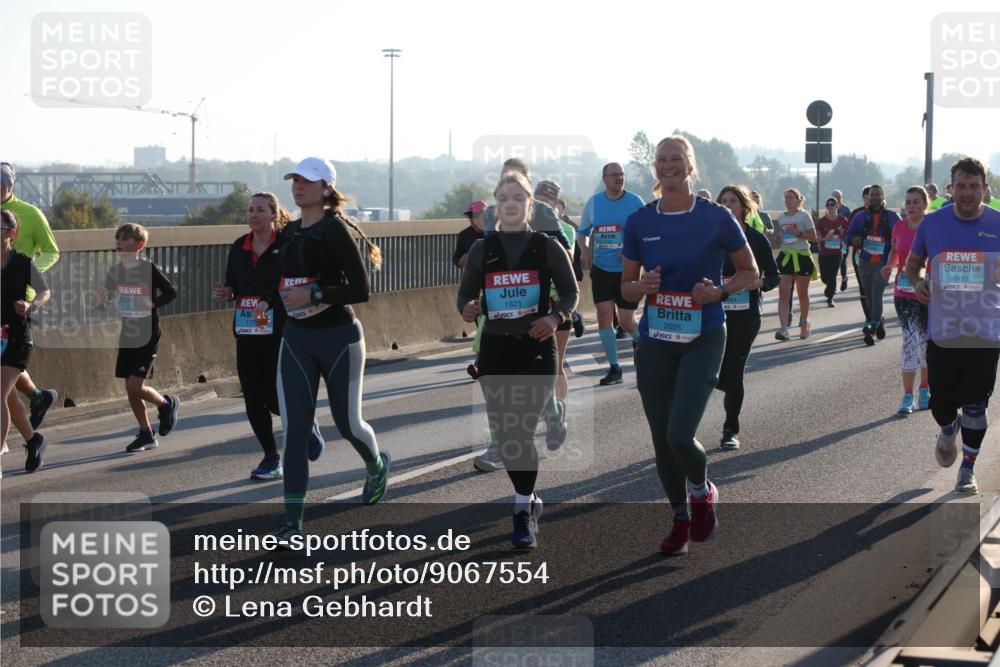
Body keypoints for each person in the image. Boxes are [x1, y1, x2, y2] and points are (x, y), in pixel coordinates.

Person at [621, 135, 757, 556]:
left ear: (689, 165)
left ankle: (701, 490)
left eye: (676, 159)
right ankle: (680, 519)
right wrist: (639, 286)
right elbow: (625, 289)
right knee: (661, 439)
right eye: (661, 160)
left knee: (681, 434)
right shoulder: (640, 221)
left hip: (704, 335)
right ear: (655, 168)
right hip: (656, 339)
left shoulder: (716, 217)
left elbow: (749, 273)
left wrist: (718, 290)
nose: (668, 166)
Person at [253, 157, 388, 544]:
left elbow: (359, 290)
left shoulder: (336, 229)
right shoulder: (290, 230)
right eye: (294, 179)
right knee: (294, 432)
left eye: (307, 181)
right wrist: (268, 299)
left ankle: (376, 465)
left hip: (339, 339)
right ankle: (292, 522)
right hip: (296, 340)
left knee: (348, 424)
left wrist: (314, 293)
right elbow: (284, 279)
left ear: (326, 188)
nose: (298, 186)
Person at [457, 171, 578, 548]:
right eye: (503, 198)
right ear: (496, 205)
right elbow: (464, 296)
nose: (510, 204)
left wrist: (554, 317)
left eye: (518, 198)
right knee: (510, 438)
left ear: (529, 205)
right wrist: (468, 307)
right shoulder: (482, 249)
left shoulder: (547, 246)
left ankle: (522, 507)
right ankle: (530, 498)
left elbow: (571, 294)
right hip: (495, 348)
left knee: (521, 431)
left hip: (537, 347)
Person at [905, 156, 1000, 493]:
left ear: (985, 190)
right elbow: (913, 264)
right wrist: (918, 283)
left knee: (976, 403)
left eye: (974, 186)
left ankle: (968, 470)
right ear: (951, 188)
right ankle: (948, 429)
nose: (967, 192)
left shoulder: (998, 223)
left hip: (985, 332)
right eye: (961, 186)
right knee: (941, 403)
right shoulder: (932, 224)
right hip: (943, 331)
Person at [213, 192, 324, 481]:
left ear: (274, 215)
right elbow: (234, 284)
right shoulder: (239, 247)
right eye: (250, 210)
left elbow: (296, 280)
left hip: (282, 328)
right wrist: (228, 293)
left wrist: (270, 300)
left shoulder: (286, 245)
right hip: (248, 329)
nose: (253, 215)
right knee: (252, 397)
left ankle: (306, 421)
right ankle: (271, 456)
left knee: (274, 394)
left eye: (260, 210)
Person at [91, 224, 180, 452]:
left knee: (135, 385)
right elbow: (105, 303)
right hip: (128, 332)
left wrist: (152, 303)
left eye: (125, 239)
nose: (119, 243)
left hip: (148, 332)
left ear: (139, 245)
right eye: (118, 239)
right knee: (130, 389)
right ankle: (146, 433)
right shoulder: (116, 272)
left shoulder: (148, 269)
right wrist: (99, 301)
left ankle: (166, 403)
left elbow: (171, 292)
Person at [714, 185, 779, 450]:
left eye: (733, 201)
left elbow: (774, 276)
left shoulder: (755, 238)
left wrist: (759, 283)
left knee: (735, 371)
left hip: (746, 314)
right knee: (715, 374)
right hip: (715, 314)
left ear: (743, 206)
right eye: (724, 201)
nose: (728, 205)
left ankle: (731, 429)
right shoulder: (711, 239)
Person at [0, 162, 59, 429]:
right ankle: (37, 400)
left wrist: (33, 276)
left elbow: (51, 250)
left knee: (5, 380)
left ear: (10, 187)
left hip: (18, 299)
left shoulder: (30, 214)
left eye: (1, 185)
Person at [578, 162, 646, 385]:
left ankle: (642, 343)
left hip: (628, 270)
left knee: (627, 321)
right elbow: (582, 232)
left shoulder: (635, 202)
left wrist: (632, 252)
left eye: (622, 174)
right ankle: (615, 369)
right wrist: (585, 248)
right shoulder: (595, 203)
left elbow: (646, 233)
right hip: (602, 269)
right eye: (614, 174)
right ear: (604, 178)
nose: (619, 178)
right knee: (604, 318)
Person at [1, 209, 51, 475]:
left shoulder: (21, 263)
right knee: (8, 399)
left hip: (17, 336)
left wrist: (31, 305)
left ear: (10, 233)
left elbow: (44, 291)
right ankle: (34, 440)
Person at [882, 186, 930, 414]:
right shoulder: (899, 226)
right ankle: (907, 396)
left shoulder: (932, 227)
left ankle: (925, 388)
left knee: (925, 342)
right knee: (909, 340)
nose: (911, 206)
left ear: (925, 205)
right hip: (903, 293)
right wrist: (889, 265)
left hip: (928, 292)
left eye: (916, 202)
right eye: (908, 202)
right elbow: (895, 250)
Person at [845, 184, 901, 346]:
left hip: (883, 263)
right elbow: (848, 235)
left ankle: (872, 325)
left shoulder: (892, 216)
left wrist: (886, 243)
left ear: (883, 197)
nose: (874, 197)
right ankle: (878, 319)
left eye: (877, 195)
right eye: (872, 195)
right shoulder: (860, 216)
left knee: (877, 293)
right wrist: (853, 240)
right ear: (868, 198)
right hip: (864, 262)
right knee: (868, 295)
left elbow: (900, 237)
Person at [483, 159, 570, 248]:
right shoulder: (490, 213)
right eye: (505, 177)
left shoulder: (545, 212)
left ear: (528, 183)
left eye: (516, 178)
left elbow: (567, 253)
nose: (509, 182)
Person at [773, 188, 817, 340]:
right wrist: (780, 237)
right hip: (786, 256)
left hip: (802, 256)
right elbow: (784, 236)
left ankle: (804, 322)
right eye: (786, 198)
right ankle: (783, 328)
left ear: (799, 200)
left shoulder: (804, 216)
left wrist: (798, 233)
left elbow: (813, 237)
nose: (788, 200)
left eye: (791, 198)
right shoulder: (781, 218)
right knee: (783, 293)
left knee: (802, 293)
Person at [454, 200, 487, 381]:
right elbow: (457, 260)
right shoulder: (464, 236)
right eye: (471, 217)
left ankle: (480, 363)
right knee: (481, 324)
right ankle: (481, 363)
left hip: (493, 286)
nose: (473, 221)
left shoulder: (496, 233)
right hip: (473, 286)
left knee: (484, 325)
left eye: (478, 217)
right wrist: (468, 258)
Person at [816, 197, 849, 307]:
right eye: (828, 205)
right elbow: (818, 238)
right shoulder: (822, 221)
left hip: (836, 254)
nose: (830, 207)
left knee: (832, 276)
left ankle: (830, 298)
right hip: (824, 254)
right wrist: (826, 238)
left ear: (837, 206)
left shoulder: (843, 220)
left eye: (832, 204)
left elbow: (847, 235)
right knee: (824, 278)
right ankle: (829, 289)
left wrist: (843, 235)